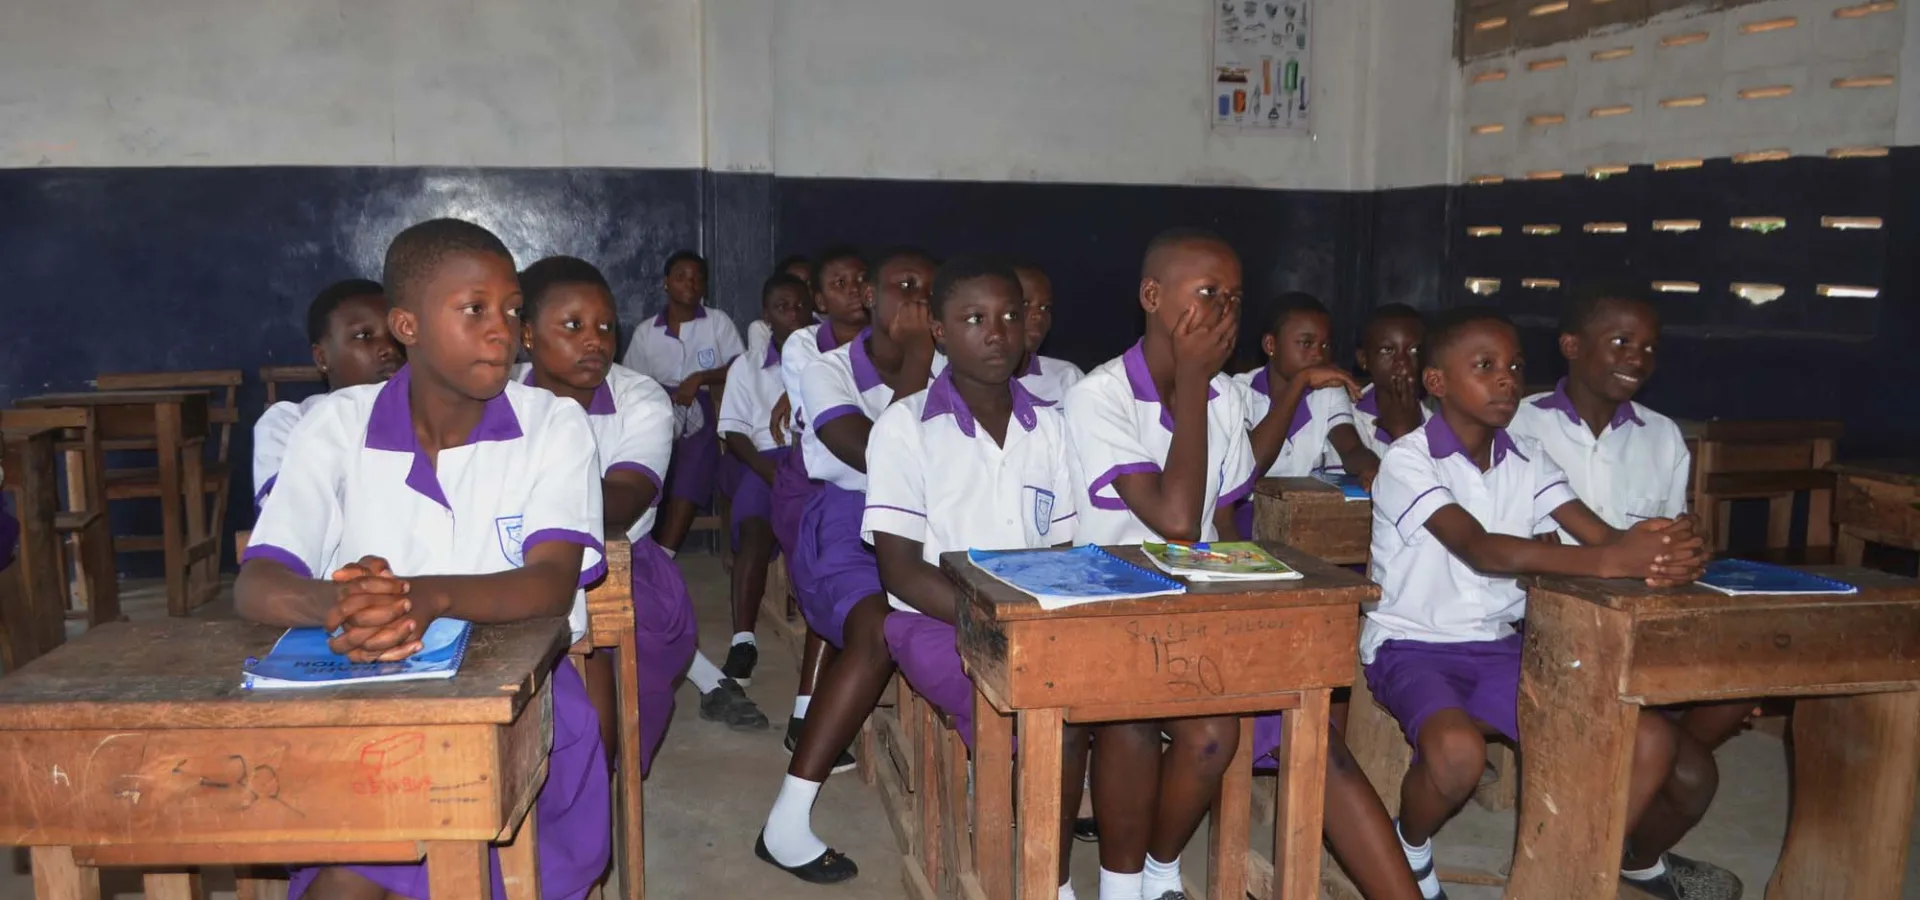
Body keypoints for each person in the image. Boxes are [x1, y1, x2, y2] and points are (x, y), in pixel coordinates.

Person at [237, 218, 609, 899]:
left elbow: (551, 585)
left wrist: (420, 597)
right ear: (405, 325)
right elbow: (258, 582)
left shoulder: (553, 425)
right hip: (365, 707)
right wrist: (345, 604)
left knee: (369, 866)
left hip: (526, 715)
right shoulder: (335, 426)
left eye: (512, 311)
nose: (503, 330)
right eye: (474, 310)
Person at [1064, 229, 1421, 900]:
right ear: (1151, 296)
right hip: (1110, 604)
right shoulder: (1099, 396)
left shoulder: (1223, 399)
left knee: (1305, 726)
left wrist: (1256, 590)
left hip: (1195, 596)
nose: (1225, 312)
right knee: (1145, 724)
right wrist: (1197, 382)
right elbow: (1172, 517)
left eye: (1234, 298)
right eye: (1208, 295)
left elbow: (1220, 516)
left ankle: (1161, 868)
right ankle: (1123, 885)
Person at [1366, 306, 1712, 900]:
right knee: (1456, 756)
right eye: (1485, 366)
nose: (1507, 379)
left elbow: (1600, 535)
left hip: (1502, 646)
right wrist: (1613, 559)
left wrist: (1664, 549)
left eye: (1515, 366)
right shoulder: (1407, 459)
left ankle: (1567, 866)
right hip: (1410, 645)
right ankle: (1411, 843)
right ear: (1437, 383)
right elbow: (1481, 549)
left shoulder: (1526, 456)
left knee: (1649, 739)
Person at [1505, 284, 1744, 899]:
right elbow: (1498, 545)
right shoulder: (1516, 422)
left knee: (1701, 765)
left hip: (1634, 628)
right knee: (1663, 750)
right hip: (1536, 629)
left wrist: (1685, 552)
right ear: (1571, 346)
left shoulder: (1662, 436)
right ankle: (1569, 870)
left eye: (1648, 347)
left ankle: (1629, 856)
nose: (1636, 358)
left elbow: (1672, 537)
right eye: (1620, 341)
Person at [865, 255, 1088, 898]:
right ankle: (1015, 842)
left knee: (1081, 701)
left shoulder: (1049, 424)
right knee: (1043, 703)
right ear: (938, 331)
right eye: (974, 319)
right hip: (934, 618)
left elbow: (1066, 548)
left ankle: (1053, 877)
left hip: (1033, 618)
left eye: (1010, 317)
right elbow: (901, 571)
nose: (997, 333)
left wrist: (1042, 622)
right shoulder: (905, 428)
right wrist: (998, 626)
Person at [755, 247, 943, 884]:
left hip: (934, 525)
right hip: (843, 521)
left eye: (928, 291)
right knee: (874, 629)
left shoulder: (952, 367)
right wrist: (918, 359)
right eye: (903, 287)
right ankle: (786, 822)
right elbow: (876, 454)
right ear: (871, 296)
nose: (917, 301)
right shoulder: (828, 369)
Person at [771, 245, 868, 772]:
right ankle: (805, 715)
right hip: (808, 486)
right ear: (818, 298)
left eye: (860, 280)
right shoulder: (805, 346)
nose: (852, 290)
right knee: (826, 598)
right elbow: (839, 428)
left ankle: (817, 709)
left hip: (862, 486)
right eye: (838, 282)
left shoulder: (892, 345)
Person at [715, 272, 814, 692]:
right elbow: (733, 431)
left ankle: (819, 627)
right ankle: (743, 639)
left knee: (815, 535)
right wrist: (766, 469)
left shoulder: (832, 359)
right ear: (766, 316)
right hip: (764, 460)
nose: (792, 314)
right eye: (781, 307)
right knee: (754, 532)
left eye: (799, 306)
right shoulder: (747, 366)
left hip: (814, 459)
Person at [621, 250, 745, 552]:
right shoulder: (647, 331)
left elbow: (741, 367)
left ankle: (666, 551)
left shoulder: (717, 322)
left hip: (704, 404)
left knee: (697, 443)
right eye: (681, 277)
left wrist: (699, 378)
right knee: (649, 441)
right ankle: (639, 544)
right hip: (658, 403)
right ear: (666, 283)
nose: (689, 284)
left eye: (697, 279)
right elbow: (631, 382)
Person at [1232, 292, 1372, 538]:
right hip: (1250, 519)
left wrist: (1372, 469)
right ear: (1270, 346)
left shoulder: (1328, 392)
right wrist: (1300, 382)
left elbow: (1350, 448)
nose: (1318, 355)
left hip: (1308, 518)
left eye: (1325, 345)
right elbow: (1250, 465)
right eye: (1306, 343)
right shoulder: (1240, 391)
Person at [253, 278, 402, 508]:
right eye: (364, 336)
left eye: (395, 335)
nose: (389, 349)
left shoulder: (431, 420)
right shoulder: (290, 423)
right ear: (322, 358)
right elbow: (291, 515)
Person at [1345, 303, 1429, 459]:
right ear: (1364, 359)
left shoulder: (1437, 423)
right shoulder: (1346, 419)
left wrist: (1405, 433)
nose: (1403, 362)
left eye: (1414, 350)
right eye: (1387, 350)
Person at [1013, 262, 1085, 403]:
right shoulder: (966, 382)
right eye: (1025, 303)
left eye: (1045, 307)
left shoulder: (1067, 377)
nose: (1038, 315)